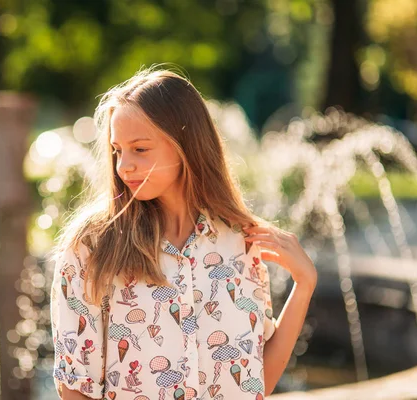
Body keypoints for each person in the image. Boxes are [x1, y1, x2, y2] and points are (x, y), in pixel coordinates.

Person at [49, 65, 317, 400]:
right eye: (118, 150)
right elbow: (74, 386)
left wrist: (303, 286)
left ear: (185, 144)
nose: (123, 165)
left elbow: (255, 380)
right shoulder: (91, 246)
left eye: (140, 149)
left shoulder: (240, 241)